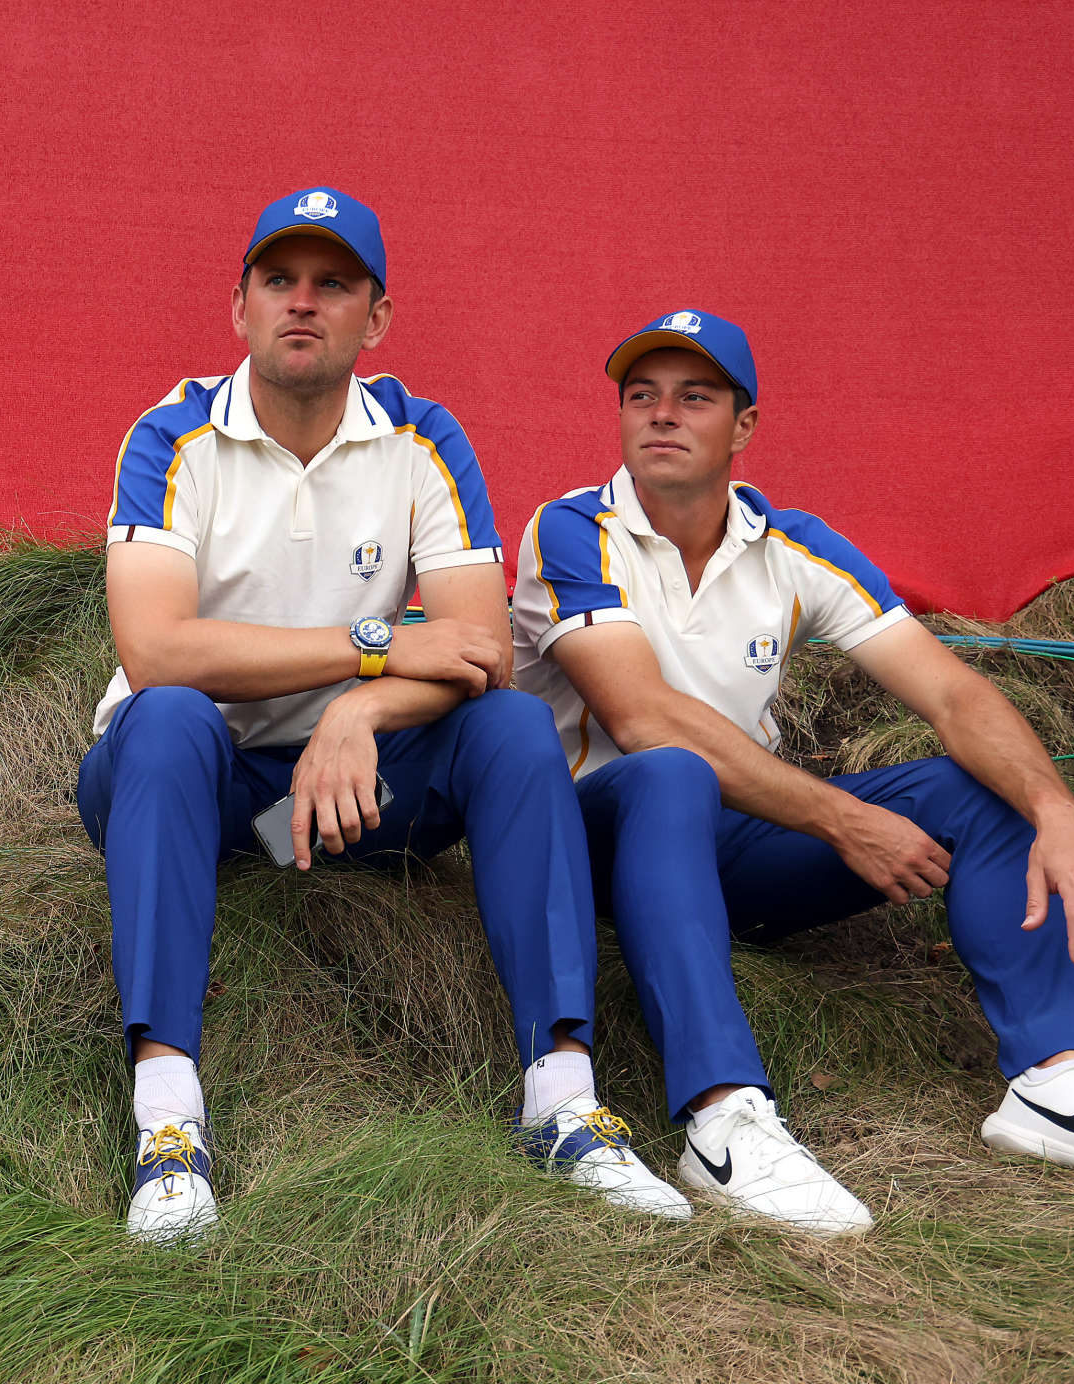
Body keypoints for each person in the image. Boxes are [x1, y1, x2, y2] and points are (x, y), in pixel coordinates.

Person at [510, 308, 1074, 1236]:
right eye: (640, 396)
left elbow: (953, 696)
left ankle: (1062, 1084)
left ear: (746, 426)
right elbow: (642, 718)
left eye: (695, 397)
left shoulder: (793, 540)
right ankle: (721, 1120)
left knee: (976, 787)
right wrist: (841, 820)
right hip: (600, 844)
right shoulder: (571, 529)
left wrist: (1060, 809)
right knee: (669, 774)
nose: (662, 415)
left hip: (730, 848)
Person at [77, 189, 689, 1242]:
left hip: (350, 798)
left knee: (505, 727)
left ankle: (564, 1096)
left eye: (333, 284)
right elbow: (158, 648)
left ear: (378, 316)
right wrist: (369, 645)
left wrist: (358, 712)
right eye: (279, 281)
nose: (302, 304)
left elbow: (478, 646)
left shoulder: (423, 434)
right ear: (240, 308)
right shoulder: (172, 430)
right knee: (172, 714)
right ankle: (168, 1127)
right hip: (200, 791)